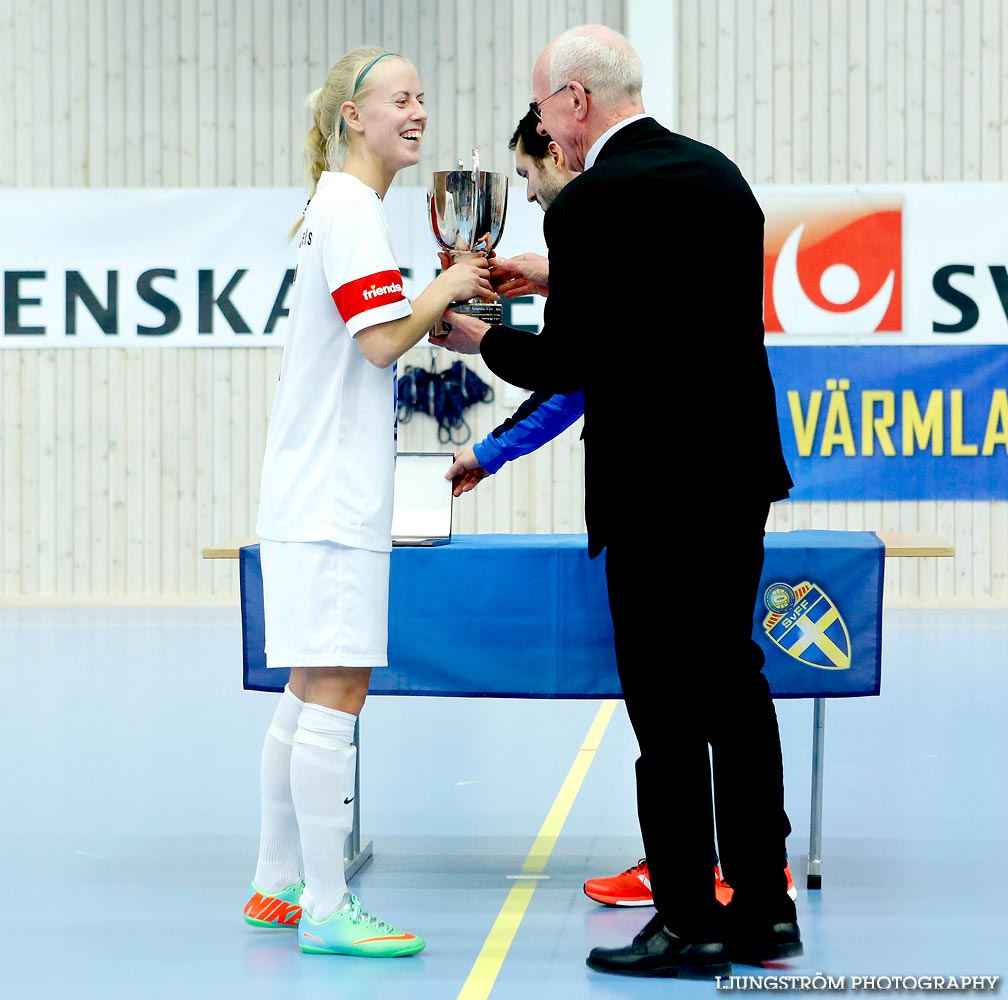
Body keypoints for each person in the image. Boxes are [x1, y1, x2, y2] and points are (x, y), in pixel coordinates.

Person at [433, 25, 799, 979]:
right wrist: (555, 275)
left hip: (650, 490)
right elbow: (671, 297)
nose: (549, 130)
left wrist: (481, 340)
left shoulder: (590, 203)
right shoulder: (721, 179)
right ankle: (764, 908)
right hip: (736, 476)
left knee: (665, 711)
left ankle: (685, 918)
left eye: (548, 108)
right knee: (734, 683)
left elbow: (571, 359)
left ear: (575, 102)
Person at [245, 45, 494, 958]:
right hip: (332, 495)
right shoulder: (350, 209)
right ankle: (324, 907)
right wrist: (449, 287)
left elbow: (383, 331)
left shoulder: (343, 208)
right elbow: (384, 341)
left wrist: (442, 305)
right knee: (339, 686)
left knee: (307, 682)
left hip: (313, 487)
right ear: (355, 116)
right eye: (400, 99)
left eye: (423, 97)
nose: (418, 111)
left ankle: (275, 884)